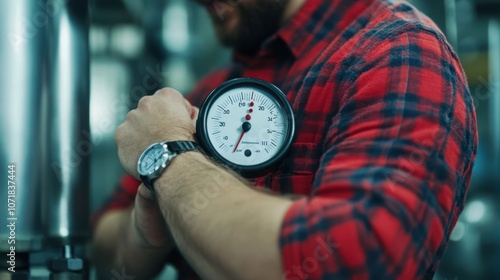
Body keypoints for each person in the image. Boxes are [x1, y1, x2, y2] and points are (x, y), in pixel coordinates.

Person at [92, 0, 478, 279]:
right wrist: (148, 228)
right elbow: (107, 254)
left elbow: (355, 260)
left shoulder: (396, 51)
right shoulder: (208, 91)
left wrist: (171, 159)